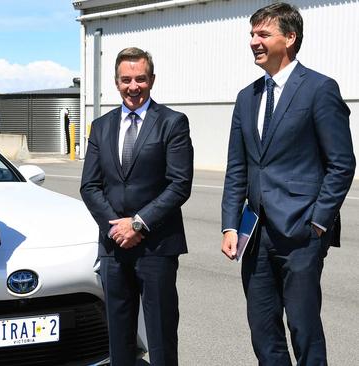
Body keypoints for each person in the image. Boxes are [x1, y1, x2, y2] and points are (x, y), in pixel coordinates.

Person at [221, 3, 355, 365]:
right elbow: (237, 168)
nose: (253, 41)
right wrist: (230, 224)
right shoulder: (246, 97)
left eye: (263, 34)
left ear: (290, 38)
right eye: (252, 34)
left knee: (303, 327)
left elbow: (342, 164)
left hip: (301, 235)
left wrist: (318, 221)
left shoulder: (319, 89)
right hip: (256, 235)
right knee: (262, 328)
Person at [80, 47, 193, 366]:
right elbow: (89, 185)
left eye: (140, 79)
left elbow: (179, 184)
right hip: (114, 247)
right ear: (116, 82)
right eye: (126, 80)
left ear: (152, 80)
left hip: (156, 246)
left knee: (160, 336)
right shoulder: (101, 126)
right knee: (119, 336)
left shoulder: (172, 123)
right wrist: (116, 227)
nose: (133, 87)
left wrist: (139, 223)